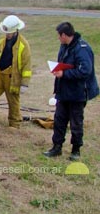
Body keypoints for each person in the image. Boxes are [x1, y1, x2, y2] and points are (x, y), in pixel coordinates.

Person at [43, 22, 99, 161]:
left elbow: (85, 71)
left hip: (78, 93)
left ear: (64, 35)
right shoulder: (64, 46)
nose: (58, 38)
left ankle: (76, 150)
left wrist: (64, 74)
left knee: (76, 122)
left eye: (59, 36)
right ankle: (56, 147)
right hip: (63, 91)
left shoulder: (82, 49)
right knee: (59, 120)